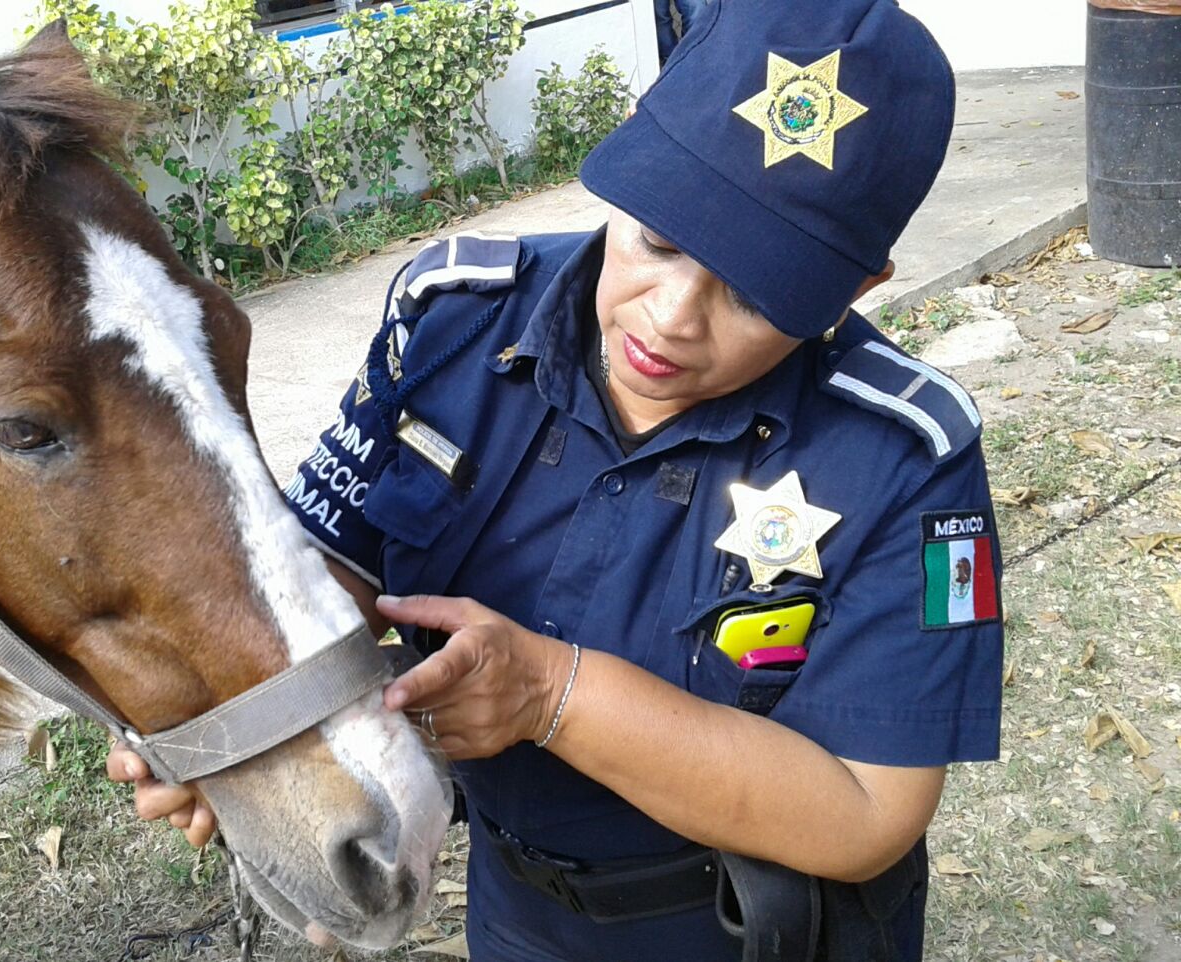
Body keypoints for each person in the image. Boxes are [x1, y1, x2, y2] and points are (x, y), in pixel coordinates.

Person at [111, 1, 1003, 959]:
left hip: (754, 931)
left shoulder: (905, 453)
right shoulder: (452, 318)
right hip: (517, 913)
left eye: (753, 290)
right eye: (660, 238)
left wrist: (551, 694)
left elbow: (869, 813)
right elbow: (332, 564)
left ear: (856, 288)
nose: (668, 319)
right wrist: (231, 723)